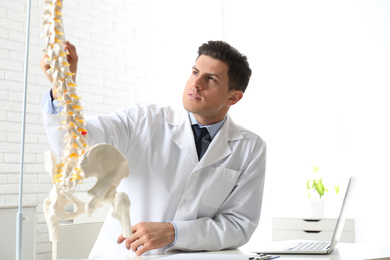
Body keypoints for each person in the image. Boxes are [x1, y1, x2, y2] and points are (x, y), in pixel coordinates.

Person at [40, 40, 266, 257]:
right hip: (122, 255)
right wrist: (62, 89)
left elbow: (239, 225)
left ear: (233, 97)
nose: (196, 84)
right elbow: (75, 148)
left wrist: (174, 232)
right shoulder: (142, 120)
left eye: (211, 79)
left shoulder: (250, 148)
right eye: (195, 72)